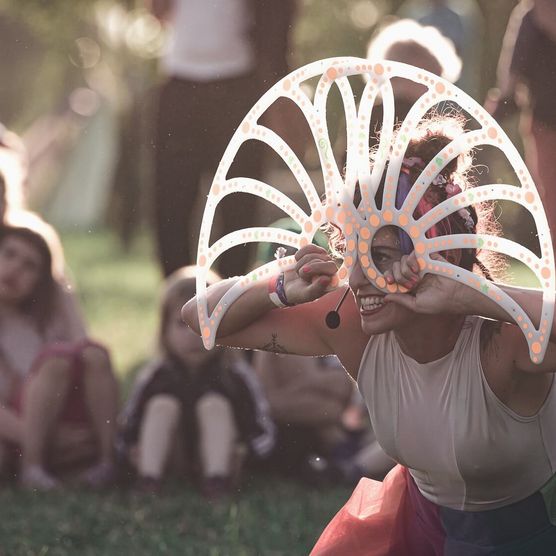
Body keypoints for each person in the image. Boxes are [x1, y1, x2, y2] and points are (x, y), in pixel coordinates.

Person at [183, 113, 556, 552]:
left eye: (379, 256)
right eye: (350, 251)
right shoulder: (356, 328)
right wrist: (282, 284)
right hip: (416, 534)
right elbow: (201, 316)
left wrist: (466, 295)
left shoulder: (501, 343)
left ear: (436, 255)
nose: (358, 280)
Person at [147, 0, 296, 278]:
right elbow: (157, 12)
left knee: (240, 196)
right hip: (179, 83)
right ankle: (177, 297)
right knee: (171, 201)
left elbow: (278, 23)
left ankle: (233, 293)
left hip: (239, 83)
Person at [118, 266, 275, 498]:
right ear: (164, 330)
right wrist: (130, 451)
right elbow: (127, 426)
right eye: (182, 325)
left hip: (219, 455)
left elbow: (264, 428)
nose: (193, 335)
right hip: (173, 455)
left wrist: (247, 453)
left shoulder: (236, 374)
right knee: (162, 405)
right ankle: (148, 481)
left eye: (203, 324)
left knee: (214, 405)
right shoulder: (156, 375)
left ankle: (217, 482)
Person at [0, 215, 119, 490]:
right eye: (9, 255)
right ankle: (33, 465)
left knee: (89, 354)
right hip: (21, 420)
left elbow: (84, 347)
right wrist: (39, 436)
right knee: (54, 362)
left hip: (64, 403)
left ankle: (108, 460)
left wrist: (62, 293)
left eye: (29, 266)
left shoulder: (46, 315)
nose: (15, 269)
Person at [485, 0, 556, 240]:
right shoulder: (529, 18)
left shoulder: (531, 17)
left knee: (552, 201)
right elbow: (510, 84)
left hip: (545, 124)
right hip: (545, 124)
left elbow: (509, 84)